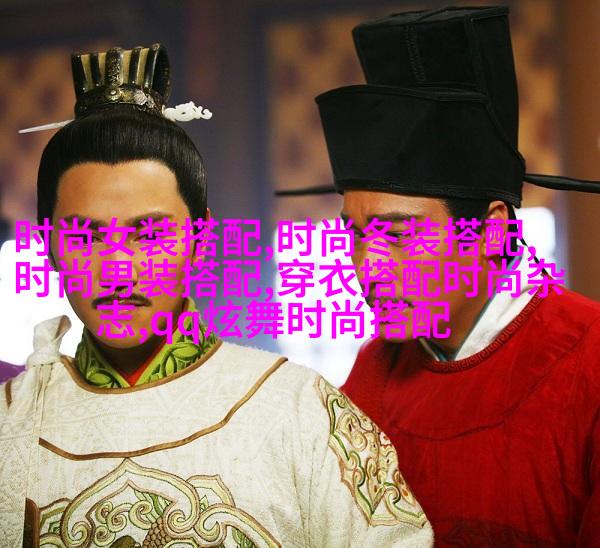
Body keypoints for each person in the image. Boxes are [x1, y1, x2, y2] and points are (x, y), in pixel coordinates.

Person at [0, 44, 433, 546]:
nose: (118, 270)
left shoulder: (300, 410)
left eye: (149, 234)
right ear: (49, 245)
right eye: (87, 237)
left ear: (201, 240)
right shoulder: (11, 422)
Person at [279, 6, 600, 546]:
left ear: (491, 230)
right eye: (355, 234)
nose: (368, 267)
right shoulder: (373, 371)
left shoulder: (588, 357)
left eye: (398, 233)